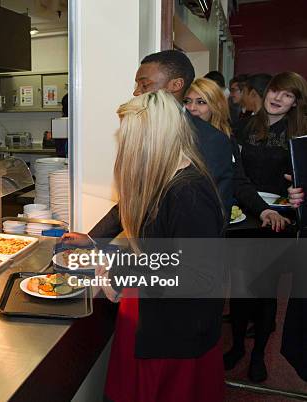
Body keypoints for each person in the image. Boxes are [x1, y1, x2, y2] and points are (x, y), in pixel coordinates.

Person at [100, 91, 226, 401]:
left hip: (174, 334)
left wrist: (120, 274)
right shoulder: (163, 178)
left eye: (131, 137)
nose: (126, 146)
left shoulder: (188, 192)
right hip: (155, 316)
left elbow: (196, 277)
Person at [82, 49, 233, 241]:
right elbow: (137, 197)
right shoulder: (146, 137)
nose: (136, 92)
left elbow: (211, 217)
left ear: (176, 85)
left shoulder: (211, 141)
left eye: (144, 84)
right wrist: (94, 239)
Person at [225, 72, 307, 382]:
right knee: (239, 288)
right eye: (276, 91)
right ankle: (236, 349)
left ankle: (259, 354)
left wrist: (297, 191)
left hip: (279, 220)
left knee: (265, 292)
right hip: (244, 217)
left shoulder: (300, 134)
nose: (278, 98)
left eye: (288, 96)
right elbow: (234, 171)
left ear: (295, 102)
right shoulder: (245, 125)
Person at [183, 77, 289, 231]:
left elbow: (237, 180)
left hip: (215, 221)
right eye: (187, 101)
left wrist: (264, 210)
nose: (192, 108)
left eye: (201, 102)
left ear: (215, 106)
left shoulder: (225, 139)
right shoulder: (175, 138)